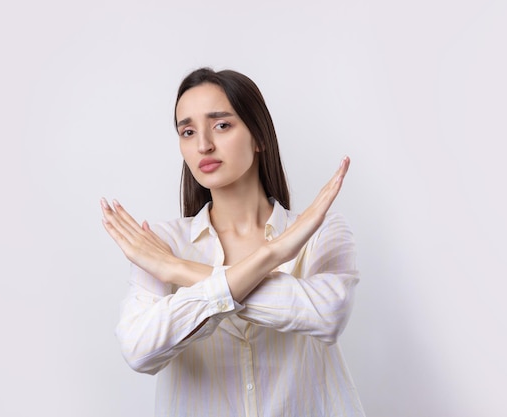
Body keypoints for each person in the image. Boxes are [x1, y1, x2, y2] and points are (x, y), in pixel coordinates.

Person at [101, 68, 365, 416]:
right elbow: (139, 350)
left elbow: (328, 315)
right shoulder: (162, 242)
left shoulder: (321, 231)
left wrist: (178, 269)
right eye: (188, 131)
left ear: (259, 137)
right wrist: (271, 256)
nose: (203, 144)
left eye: (221, 125)